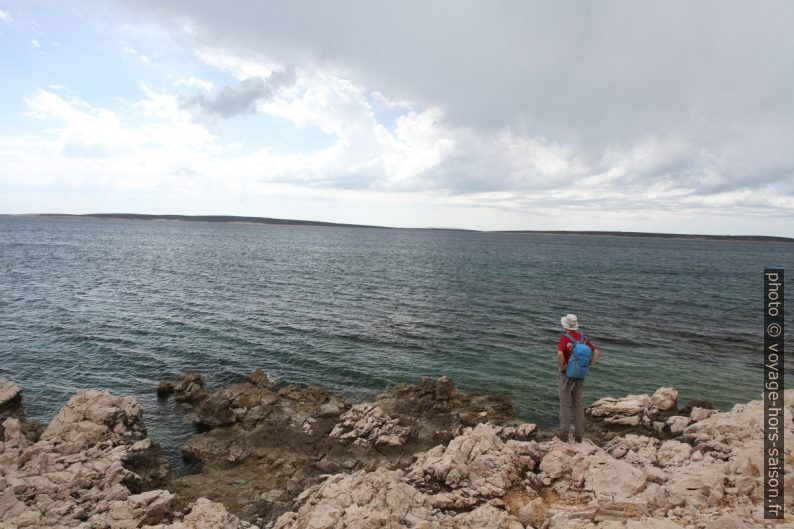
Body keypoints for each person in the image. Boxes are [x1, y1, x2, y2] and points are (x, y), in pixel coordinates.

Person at [556, 313, 600, 443]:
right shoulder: (583, 338)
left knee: (565, 404)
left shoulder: (565, 338)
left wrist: (561, 367)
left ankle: (564, 434)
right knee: (577, 404)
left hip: (567, 375)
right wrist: (590, 366)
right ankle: (579, 435)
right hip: (580, 375)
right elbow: (596, 352)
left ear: (566, 326)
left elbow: (559, 354)